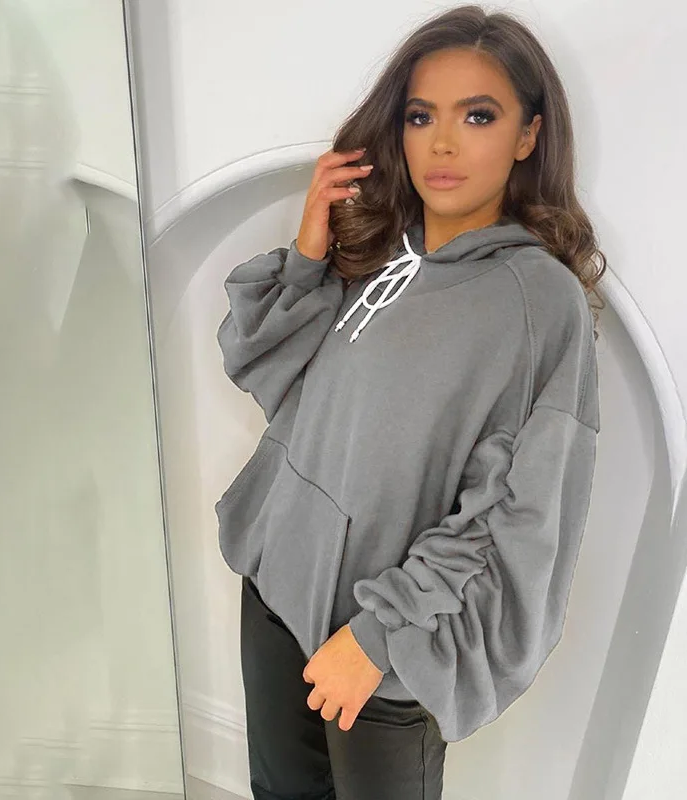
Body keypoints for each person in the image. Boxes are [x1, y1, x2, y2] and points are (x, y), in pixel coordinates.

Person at [215, 4, 606, 799]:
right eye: (422, 116)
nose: (443, 143)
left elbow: (516, 510)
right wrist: (311, 251)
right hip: (277, 585)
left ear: (528, 135)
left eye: (479, 116)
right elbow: (263, 366)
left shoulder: (539, 302)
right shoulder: (378, 242)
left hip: (389, 643)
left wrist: (378, 634)